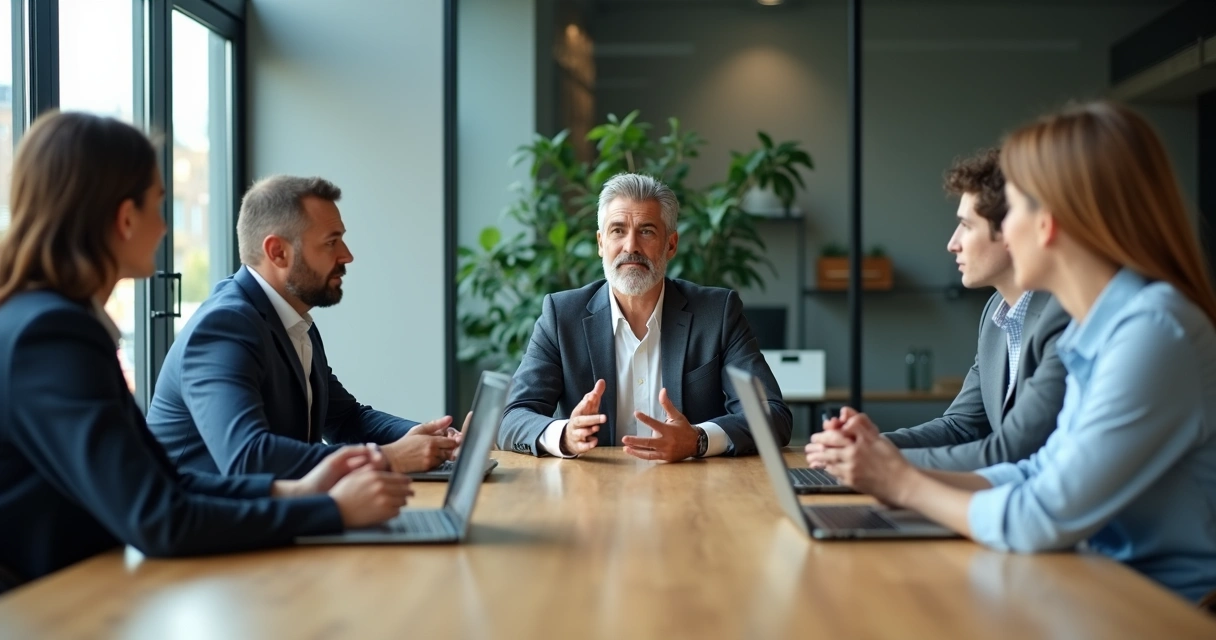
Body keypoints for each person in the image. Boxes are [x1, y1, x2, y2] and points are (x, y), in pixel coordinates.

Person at [806, 102, 1216, 603]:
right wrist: (885, 473)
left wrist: (903, 482)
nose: (1000, 229)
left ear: (1048, 224)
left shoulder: (1152, 331)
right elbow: (1035, 473)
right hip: (1092, 583)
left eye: (1013, 209)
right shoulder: (1105, 326)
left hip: (1151, 606)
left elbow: (1041, 515)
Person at [0, 112, 412, 590]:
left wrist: (296, 491)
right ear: (124, 217)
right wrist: (331, 510)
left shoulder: (47, 321)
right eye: (159, 206)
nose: (164, 228)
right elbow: (159, 517)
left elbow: (162, 480)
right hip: (49, 608)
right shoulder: (52, 335)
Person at [147, 176, 460, 479]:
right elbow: (249, 458)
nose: (347, 255)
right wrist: (388, 457)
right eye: (331, 242)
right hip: (211, 529)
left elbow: (347, 420)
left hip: (276, 521)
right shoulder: (224, 327)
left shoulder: (294, 321)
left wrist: (431, 439)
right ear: (278, 252)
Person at [499, 172, 792, 461]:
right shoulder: (562, 316)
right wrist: (565, 434)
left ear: (671, 244)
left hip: (695, 492)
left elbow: (772, 415)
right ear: (601, 243)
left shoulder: (717, 313)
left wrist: (698, 440)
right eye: (617, 231)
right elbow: (512, 417)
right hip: (593, 492)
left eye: (647, 231)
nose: (631, 247)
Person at [881, 149, 1070, 470]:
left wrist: (884, 463)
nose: (953, 243)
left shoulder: (1064, 314)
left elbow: (1018, 449)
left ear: (1013, 230)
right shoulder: (995, 313)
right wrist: (876, 443)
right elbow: (962, 427)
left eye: (967, 226)